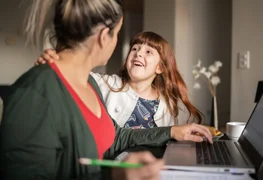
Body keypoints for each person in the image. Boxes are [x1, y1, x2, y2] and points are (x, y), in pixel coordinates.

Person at [0, 0, 212, 180]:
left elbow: (116, 136)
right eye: (117, 33)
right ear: (103, 37)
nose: (136, 53)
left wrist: (172, 131)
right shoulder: (34, 94)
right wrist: (113, 176)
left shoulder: (89, 84)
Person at [36, 31, 203, 129]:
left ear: (160, 68)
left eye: (148, 52)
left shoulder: (167, 104)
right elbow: (76, 74)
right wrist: (56, 61)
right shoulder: (107, 84)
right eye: (135, 49)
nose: (138, 53)